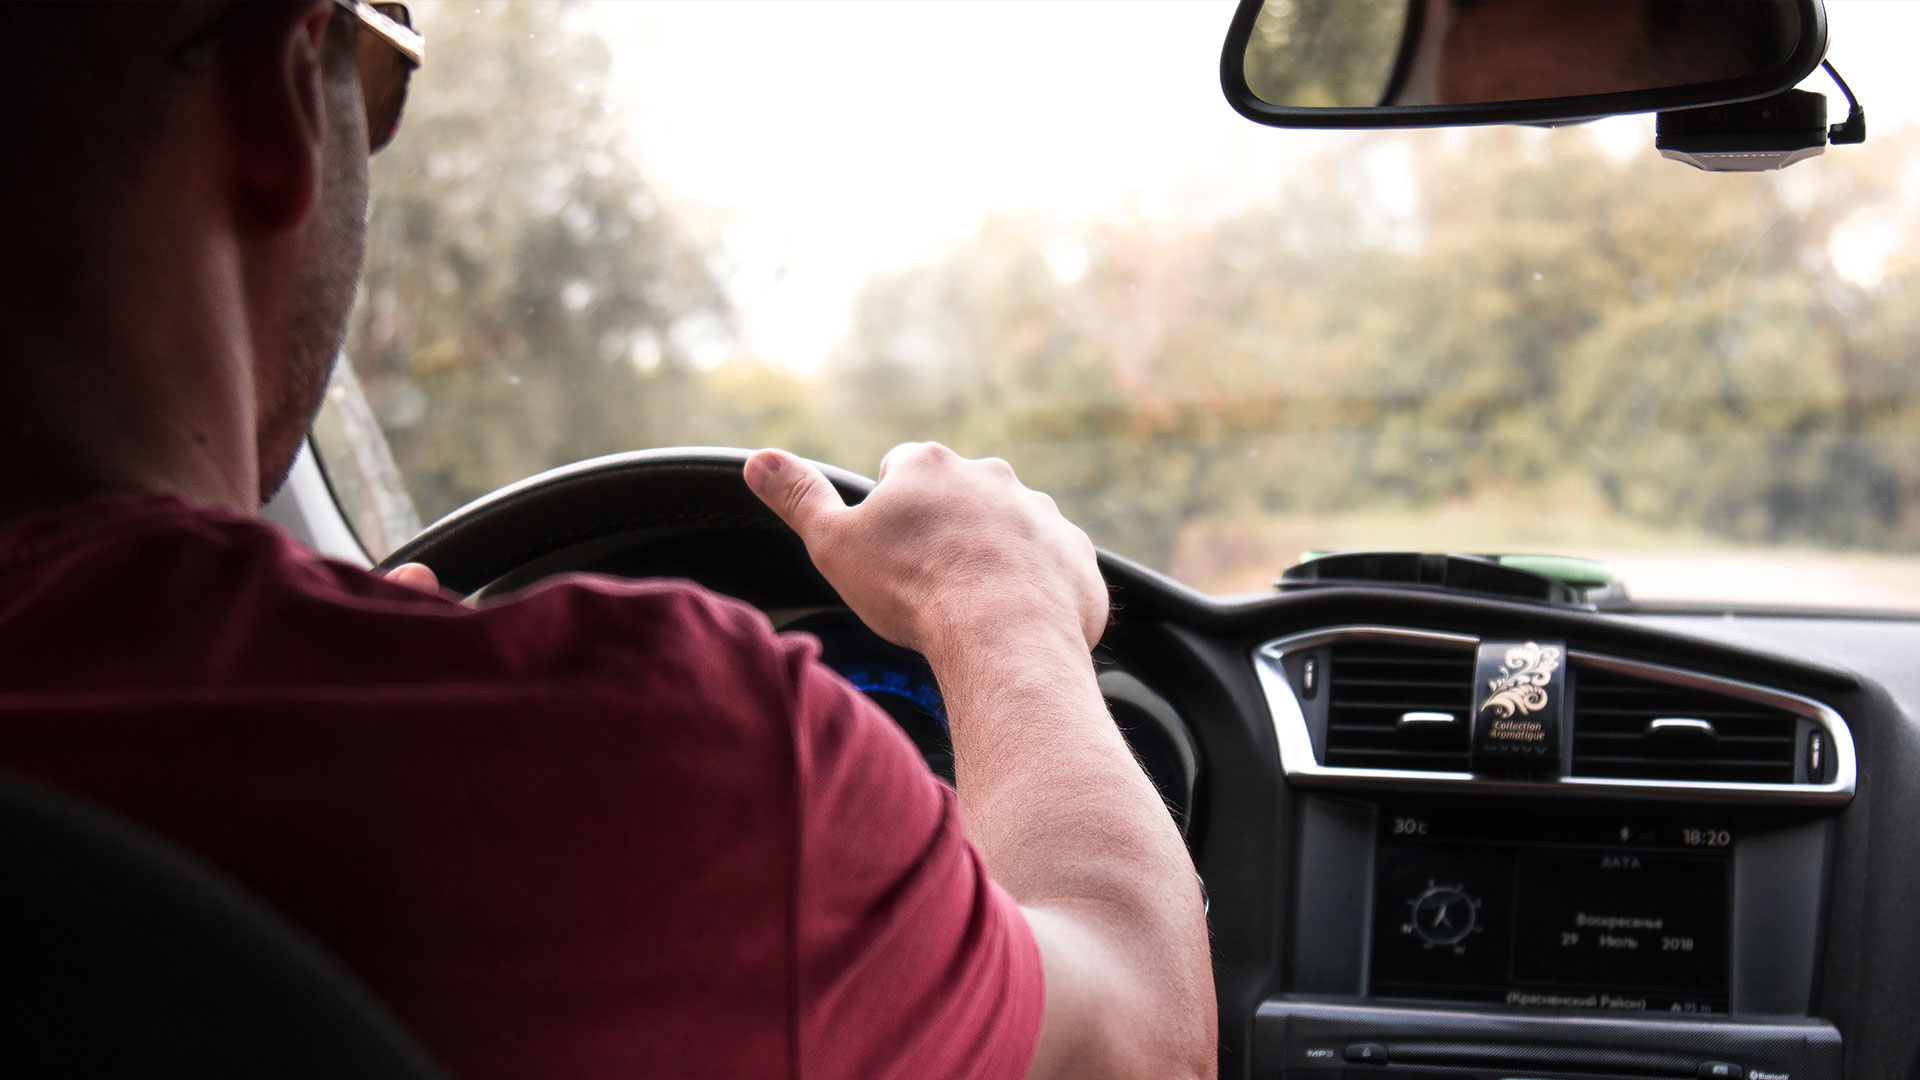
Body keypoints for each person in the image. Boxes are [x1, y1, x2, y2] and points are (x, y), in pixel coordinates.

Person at [0, 3, 1215, 1079]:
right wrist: (997, 600)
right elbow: (1139, 1046)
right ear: (282, 100)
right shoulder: (652, 769)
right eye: (376, 69)